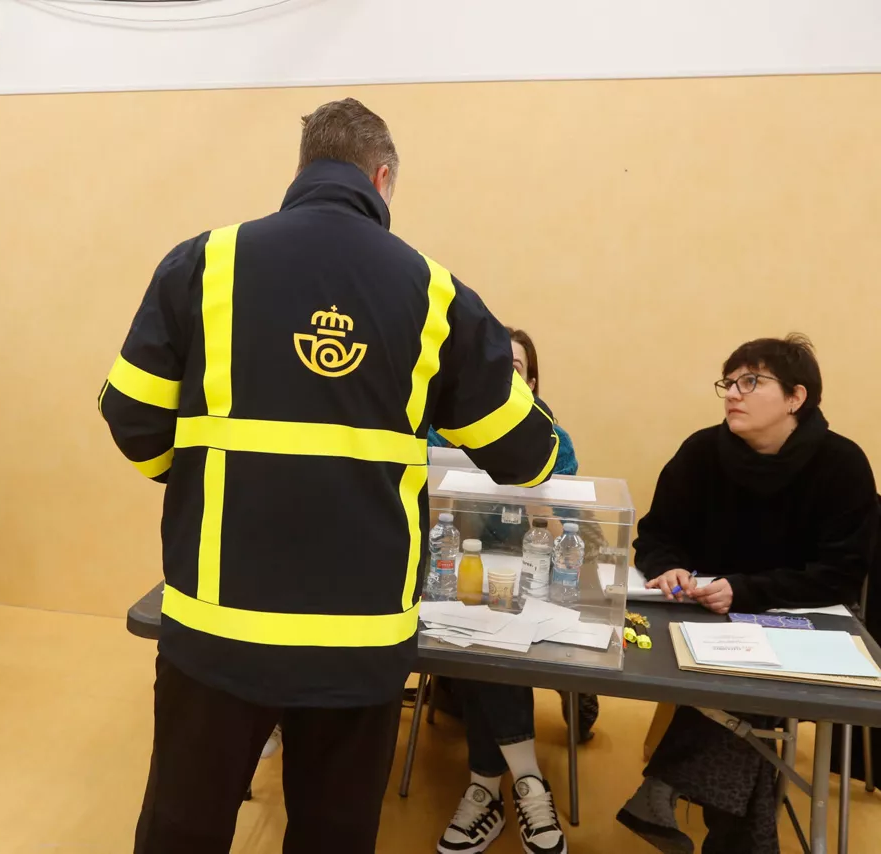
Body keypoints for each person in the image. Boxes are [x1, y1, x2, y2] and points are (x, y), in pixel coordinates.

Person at [100, 98, 558, 854]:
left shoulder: (203, 263)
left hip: (218, 627)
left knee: (183, 830)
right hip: (360, 639)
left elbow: (132, 420)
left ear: (302, 170)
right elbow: (529, 453)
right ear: (383, 178)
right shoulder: (433, 292)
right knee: (333, 836)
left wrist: (206, 483)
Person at [617, 335, 877, 854]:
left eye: (750, 381)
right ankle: (707, 821)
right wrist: (668, 567)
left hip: (801, 623)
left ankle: (666, 790)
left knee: (746, 691)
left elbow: (841, 573)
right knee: (743, 694)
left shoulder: (842, 464)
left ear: (796, 398)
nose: (732, 393)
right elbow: (657, 531)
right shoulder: (701, 451)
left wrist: (749, 590)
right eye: (729, 382)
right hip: (702, 619)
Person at [432, 329, 574, 854]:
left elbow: (572, 541)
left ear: (532, 384)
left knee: (493, 637)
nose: (504, 376)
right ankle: (527, 783)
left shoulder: (555, 441)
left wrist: (539, 500)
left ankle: (485, 787)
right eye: (494, 366)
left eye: (516, 368)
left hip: (532, 592)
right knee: (480, 631)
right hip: (450, 588)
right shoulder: (437, 436)